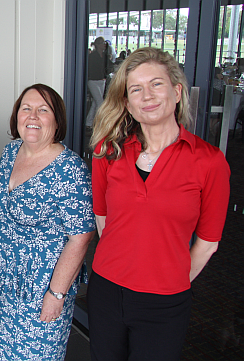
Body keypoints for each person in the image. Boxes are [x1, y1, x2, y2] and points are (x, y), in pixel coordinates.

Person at [88, 47, 231, 361]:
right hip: (106, 290)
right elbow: (102, 217)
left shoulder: (209, 161)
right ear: (127, 103)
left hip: (165, 301)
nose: (147, 95)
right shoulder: (108, 150)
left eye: (156, 84)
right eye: (136, 89)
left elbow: (208, 243)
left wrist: (168, 278)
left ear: (177, 92)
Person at [0, 84, 96, 360]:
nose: (33, 116)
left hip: (43, 285)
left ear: (57, 121)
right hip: (8, 282)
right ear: (17, 117)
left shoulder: (70, 169)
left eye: (43, 110)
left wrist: (56, 295)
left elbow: (81, 236)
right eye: (26, 108)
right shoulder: (11, 152)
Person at [86, 37, 109, 128]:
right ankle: (98, 124)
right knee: (100, 102)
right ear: (98, 45)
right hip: (93, 81)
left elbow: (107, 66)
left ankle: (89, 123)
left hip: (101, 81)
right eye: (102, 43)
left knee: (95, 103)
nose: (104, 44)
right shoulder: (92, 56)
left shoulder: (104, 55)